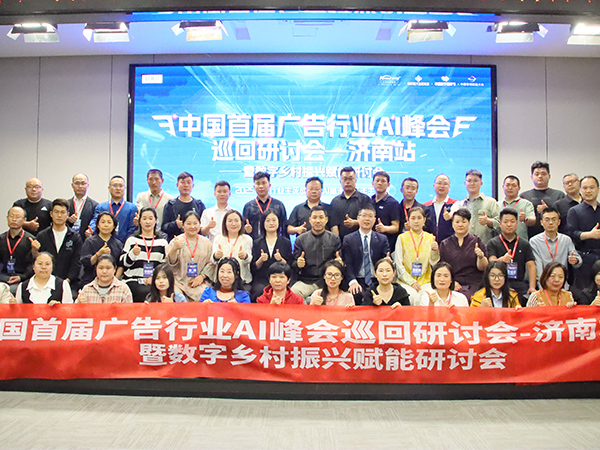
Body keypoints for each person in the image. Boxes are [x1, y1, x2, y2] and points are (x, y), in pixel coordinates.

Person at [486, 208, 537, 304]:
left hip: (519, 283)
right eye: (505, 222)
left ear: (517, 223)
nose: (509, 224)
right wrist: (502, 260)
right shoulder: (493, 243)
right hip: (499, 283)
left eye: (512, 222)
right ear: (500, 224)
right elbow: (491, 263)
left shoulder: (524, 243)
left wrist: (532, 287)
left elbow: (531, 265)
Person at [291, 205, 342, 300]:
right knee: (293, 294)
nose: (318, 221)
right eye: (314, 217)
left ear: (326, 220)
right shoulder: (301, 239)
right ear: (310, 220)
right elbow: (293, 264)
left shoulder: (334, 239)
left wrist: (339, 263)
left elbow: (339, 262)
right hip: (306, 281)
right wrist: (298, 264)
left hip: (327, 281)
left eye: (321, 217)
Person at [342, 205, 389, 305]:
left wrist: (388, 261)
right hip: (357, 279)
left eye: (370, 216)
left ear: (374, 220)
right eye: (364, 216)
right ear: (358, 218)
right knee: (356, 294)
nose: (367, 219)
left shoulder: (382, 239)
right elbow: (348, 264)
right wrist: (352, 281)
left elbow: (386, 260)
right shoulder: (348, 239)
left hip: (377, 279)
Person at [34, 198, 83, 292]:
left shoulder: (75, 237)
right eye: (56, 212)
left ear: (67, 215)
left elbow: (77, 262)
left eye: (62, 212)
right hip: (45, 283)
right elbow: (37, 260)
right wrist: (34, 250)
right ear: (51, 214)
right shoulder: (42, 235)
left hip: (69, 284)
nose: (59, 215)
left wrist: (66, 282)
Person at [120, 207, 168, 302]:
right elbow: (123, 263)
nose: (147, 222)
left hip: (155, 280)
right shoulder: (132, 240)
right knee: (141, 291)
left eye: (151, 218)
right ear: (139, 221)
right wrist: (132, 254)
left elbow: (164, 266)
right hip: (133, 280)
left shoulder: (162, 242)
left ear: (155, 221)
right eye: (144, 218)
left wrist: (154, 277)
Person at [439, 208, 488, 300]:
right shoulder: (445, 244)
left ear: (469, 223)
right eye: (457, 222)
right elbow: (442, 267)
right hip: (452, 283)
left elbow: (483, 267)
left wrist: (481, 257)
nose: (460, 224)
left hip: (474, 283)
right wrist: (451, 282)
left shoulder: (476, 241)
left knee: (467, 298)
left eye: (464, 221)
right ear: (452, 224)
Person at [393, 206, 439, 303]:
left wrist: (435, 251)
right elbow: (399, 264)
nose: (416, 221)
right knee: (412, 297)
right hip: (406, 281)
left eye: (419, 218)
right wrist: (411, 282)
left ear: (424, 220)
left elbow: (434, 263)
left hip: (425, 281)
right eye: (413, 218)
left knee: (428, 297)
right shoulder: (402, 238)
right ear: (408, 221)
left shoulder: (430, 238)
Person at [166, 211, 213, 301]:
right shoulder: (176, 241)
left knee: (205, 296)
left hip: (199, 281)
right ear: (183, 225)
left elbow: (211, 263)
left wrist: (202, 276)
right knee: (177, 296)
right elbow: (170, 263)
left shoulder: (207, 243)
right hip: (178, 281)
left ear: (200, 224)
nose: (192, 226)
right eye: (188, 223)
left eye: (195, 223)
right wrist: (174, 249)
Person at [529, 207, 581, 288]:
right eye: (547, 220)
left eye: (554, 219)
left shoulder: (566, 240)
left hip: (562, 283)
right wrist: (542, 287)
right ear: (542, 222)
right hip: (544, 282)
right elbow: (538, 266)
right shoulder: (534, 241)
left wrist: (575, 260)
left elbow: (578, 260)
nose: (550, 223)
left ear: (559, 222)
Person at [567, 175, 600, 292]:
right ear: (580, 190)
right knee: (584, 292)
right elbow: (571, 233)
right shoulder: (574, 211)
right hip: (584, 258)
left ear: (598, 189)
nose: (588, 191)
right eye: (585, 188)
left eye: (591, 187)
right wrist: (590, 235)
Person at [251, 210, 293, 301]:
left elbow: (290, 265)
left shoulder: (285, 242)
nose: (271, 223)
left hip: (280, 279)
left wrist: (281, 259)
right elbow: (253, 267)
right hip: (262, 279)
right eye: (268, 220)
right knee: (258, 291)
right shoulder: (257, 242)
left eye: (274, 220)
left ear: (278, 222)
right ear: (263, 223)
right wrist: (260, 260)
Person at [450, 169, 500, 245]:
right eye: (469, 181)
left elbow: (500, 223)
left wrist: (488, 221)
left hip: (485, 246)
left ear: (481, 183)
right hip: (464, 247)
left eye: (475, 181)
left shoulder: (491, 202)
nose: (472, 183)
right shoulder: (460, 204)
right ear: (465, 183)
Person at [521, 161, 566, 239]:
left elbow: (564, 218)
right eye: (537, 174)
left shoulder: (559, 195)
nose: (540, 176)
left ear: (549, 176)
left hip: (554, 237)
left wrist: (547, 211)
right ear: (531, 177)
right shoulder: (524, 196)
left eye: (543, 174)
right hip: (529, 237)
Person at [89, 175, 138, 244]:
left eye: (121, 186)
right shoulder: (101, 207)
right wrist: (91, 230)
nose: (118, 188)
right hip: (103, 244)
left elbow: (132, 229)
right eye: (114, 185)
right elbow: (95, 222)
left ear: (125, 188)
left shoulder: (132, 208)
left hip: (124, 244)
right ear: (109, 188)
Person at [79, 212, 123, 287]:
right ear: (97, 225)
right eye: (103, 222)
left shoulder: (118, 244)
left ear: (114, 226)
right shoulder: (89, 241)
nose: (106, 225)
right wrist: (98, 254)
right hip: (91, 281)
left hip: (113, 283)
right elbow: (86, 263)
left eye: (109, 222)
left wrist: (114, 281)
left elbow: (120, 265)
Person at [329, 166, 373, 241]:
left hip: (361, 241)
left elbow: (371, 219)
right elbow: (333, 224)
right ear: (340, 181)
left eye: (351, 179)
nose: (348, 182)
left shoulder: (365, 199)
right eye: (345, 179)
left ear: (355, 180)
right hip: (340, 241)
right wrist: (336, 241)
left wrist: (356, 222)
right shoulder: (335, 201)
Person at [212, 210, 253, 288]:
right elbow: (213, 261)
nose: (233, 224)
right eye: (230, 221)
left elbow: (249, 260)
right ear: (225, 223)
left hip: (242, 280)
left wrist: (245, 256)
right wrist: (216, 256)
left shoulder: (247, 239)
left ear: (241, 223)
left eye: (236, 221)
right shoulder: (218, 238)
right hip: (222, 280)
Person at [243, 171, 287, 241]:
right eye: (258, 183)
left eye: (264, 183)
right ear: (254, 187)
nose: (261, 186)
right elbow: (243, 229)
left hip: (275, 244)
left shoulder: (279, 205)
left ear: (269, 185)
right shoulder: (248, 206)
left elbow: (284, 228)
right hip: (254, 243)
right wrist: (246, 230)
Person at [162, 172, 206, 242]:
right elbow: (164, 227)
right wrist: (175, 225)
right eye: (182, 182)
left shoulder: (199, 205)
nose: (186, 185)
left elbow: (203, 227)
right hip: (176, 243)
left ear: (193, 185)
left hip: (195, 243)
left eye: (188, 182)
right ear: (177, 185)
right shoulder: (170, 205)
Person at [0, 206, 34, 294]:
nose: (14, 219)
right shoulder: (1, 239)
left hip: (22, 279)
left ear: (24, 220)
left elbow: (32, 264)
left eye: (17, 217)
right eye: (11, 216)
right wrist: (4, 278)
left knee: (13, 290)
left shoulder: (30, 240)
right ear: (7, 218)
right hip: (2, 278)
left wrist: (21, 277)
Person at [498, 175, 535, 241]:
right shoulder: (497, 205)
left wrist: (525, 219)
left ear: (519, 188)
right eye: (507, 185)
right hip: (501, 243)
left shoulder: (526, 204)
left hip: (520, 242)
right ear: (503, 187)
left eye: (513, 185)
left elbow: (533, 220)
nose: (510, 188)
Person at [371, 171, 400, 250]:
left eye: (383, 181)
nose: (380, 183)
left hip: (386, 244)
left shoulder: (392, 203)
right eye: (377, 180)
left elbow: (396, 227)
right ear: (373, 183)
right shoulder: (369, 201)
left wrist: (385, 228)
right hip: (370, 243)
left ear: (388, 185)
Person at [423, 174, 456, 243]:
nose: (442, 186)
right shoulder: (425, 206)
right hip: (428, 243)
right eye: (439, 183)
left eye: (445, 184)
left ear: (449, 187)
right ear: (434, 185)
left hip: (450, 244)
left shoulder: (455, 205)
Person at [67, 173, 98, 240]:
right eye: (77, 183)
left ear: (88, 185)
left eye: (83, 183)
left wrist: (91, 230)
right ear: (72, 185)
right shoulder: (66, 204)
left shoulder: (94, 205)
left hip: (86, 240)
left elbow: (96, 222)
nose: (80, 186)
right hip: (68, 240)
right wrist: (68, 219)